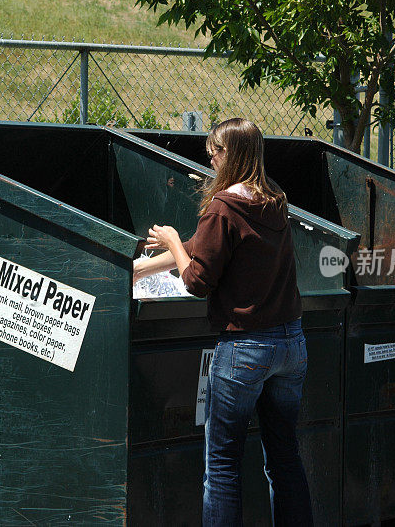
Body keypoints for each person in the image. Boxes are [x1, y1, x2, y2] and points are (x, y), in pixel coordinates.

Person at [132, 118, 313, 526]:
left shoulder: (223, 206)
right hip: (291, 344)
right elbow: (207, 247)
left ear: (231, 155)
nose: (210, 159)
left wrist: (174, 241)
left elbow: (197, 278)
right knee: (284, 458)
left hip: (245, 348)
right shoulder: (274, 200)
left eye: (214, 152)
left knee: (223, 466)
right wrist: (142, 270)